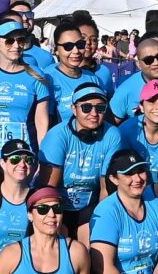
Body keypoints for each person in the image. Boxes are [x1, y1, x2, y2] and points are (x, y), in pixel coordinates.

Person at [0, 18, 51, 161]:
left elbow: (41, 120)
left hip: (23, 156)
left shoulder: (36, 75)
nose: (16, 45)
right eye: (9, 41)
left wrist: (42, 157)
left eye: (20, 40)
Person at [41, 86, 124, 220]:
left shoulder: (112, 135)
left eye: (100, 108)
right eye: (86, 108)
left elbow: (106, 188)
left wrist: (100, 220)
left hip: (92, 204)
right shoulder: (57, 135)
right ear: (74, 109)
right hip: (57, 204)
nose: (94, 113)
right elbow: (49, 187)